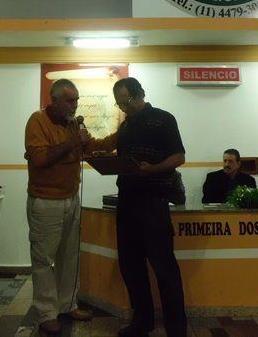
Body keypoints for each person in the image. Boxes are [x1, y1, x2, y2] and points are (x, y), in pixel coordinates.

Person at [25, 79, 117, 336]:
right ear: (54, 101)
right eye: (69, 100)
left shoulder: (74, 124)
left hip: (71, 198)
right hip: (45, 201)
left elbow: (94, 146)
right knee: (44, 260)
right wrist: (72, 142)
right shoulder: (37, 121)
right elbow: (39, 159)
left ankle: (67, 305)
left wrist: (121, 133)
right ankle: (46, 314)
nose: (75, 105)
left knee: (70, 255)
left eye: (76, 100)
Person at [113, 77, 187, 337]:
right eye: (120, 104)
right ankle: (142, 322)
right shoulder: (126, 125)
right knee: (130, 265)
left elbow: (179, 156)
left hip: (153, 202)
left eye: (126, 102)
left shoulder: (163, 119)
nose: (124, 108)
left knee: (164, 267)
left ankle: (176, 327)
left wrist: (152, 169)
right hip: (127, 200)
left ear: (139, 94)